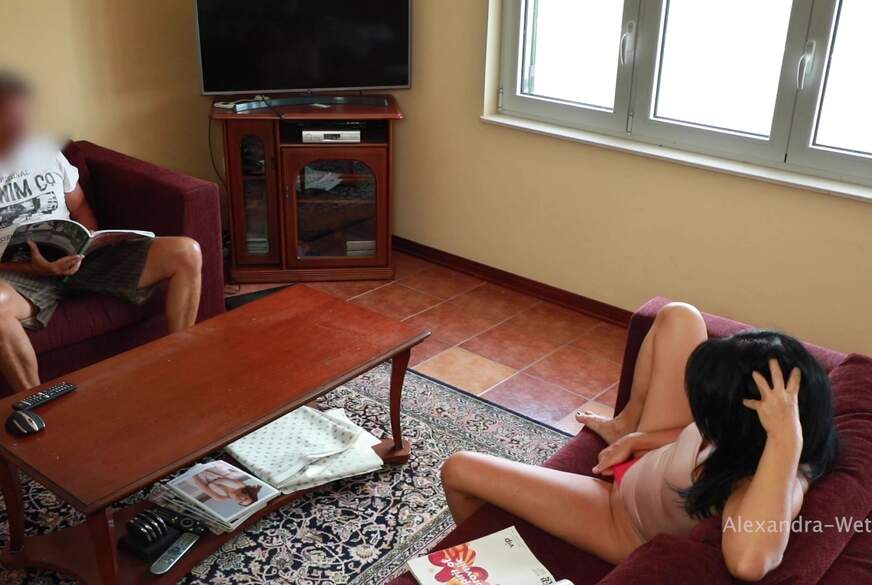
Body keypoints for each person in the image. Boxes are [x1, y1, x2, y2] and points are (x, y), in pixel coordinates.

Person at [440, 302, 839, 581]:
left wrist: (787, 442)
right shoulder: (747, 430)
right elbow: (698, 434)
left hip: (621, 518)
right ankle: (623, 424)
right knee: (679, 316)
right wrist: (641, 438)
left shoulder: (774, 479)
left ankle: (488, 567)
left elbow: (749, 562)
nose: (702, 420)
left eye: (709, 414)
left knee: (460, 469)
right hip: (658, 460)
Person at [0, 72, 203, 392]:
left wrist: (87, 243)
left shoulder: (46, 151)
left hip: (79, 259)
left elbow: (80, 207)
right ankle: (36, 403)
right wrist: (33, 267)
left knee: (186, 252)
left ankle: (181, 365)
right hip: (23, 274)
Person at [193, 465, 262, 507]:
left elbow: (203, 486)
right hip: (213, 471)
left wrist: (193, 474)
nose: (241, 499)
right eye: (245, 498)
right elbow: (222, 479)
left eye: (241, 502)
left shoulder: (221, 498)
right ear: (248, 494)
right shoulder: (241, 486)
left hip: (200, 478)